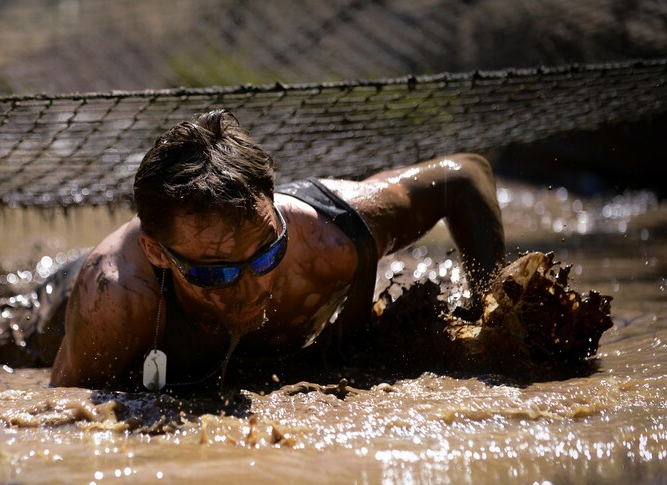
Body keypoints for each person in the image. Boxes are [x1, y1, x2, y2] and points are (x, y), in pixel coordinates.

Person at [50, 110, 504, 390]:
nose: (251, 288)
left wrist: (494, 315)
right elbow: (63, 420)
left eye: (268, 255)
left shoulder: (332, 237)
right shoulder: (115, 298)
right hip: (54, 306)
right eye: (216, 273)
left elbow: (465, 177)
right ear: (157, 253)